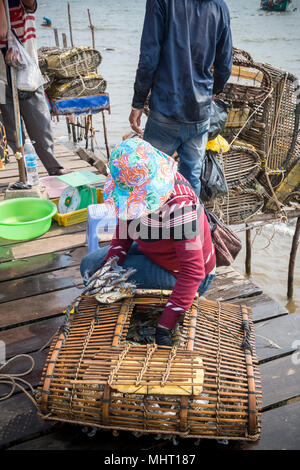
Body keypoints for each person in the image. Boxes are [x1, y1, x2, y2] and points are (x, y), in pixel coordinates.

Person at [80, 137, 216, 346]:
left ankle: (151, 307)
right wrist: (109, 269)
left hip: (185, 274)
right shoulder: (129, 194)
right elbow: (124, 231)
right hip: (155, 251)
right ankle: (135, 302)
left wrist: (165, 326)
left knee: (103, 274)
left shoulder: (181, 205)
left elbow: (193, 271)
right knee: (90, 266)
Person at [129, 0, 233, 197]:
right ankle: (189, 224)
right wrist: (213, 91)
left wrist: (138, 101)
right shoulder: (219, 6)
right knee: (191, 180)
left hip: (165, 110)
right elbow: (225, 64)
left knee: (151, 178)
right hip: (200, 113)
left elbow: (149, 57)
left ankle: (151, 226)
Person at [0, 0, 65, 176]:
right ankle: (23, 170)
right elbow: (2, 31)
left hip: (27, 74)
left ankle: (54, 168)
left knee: (40, 124)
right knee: (12, 128)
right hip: (1, 78)